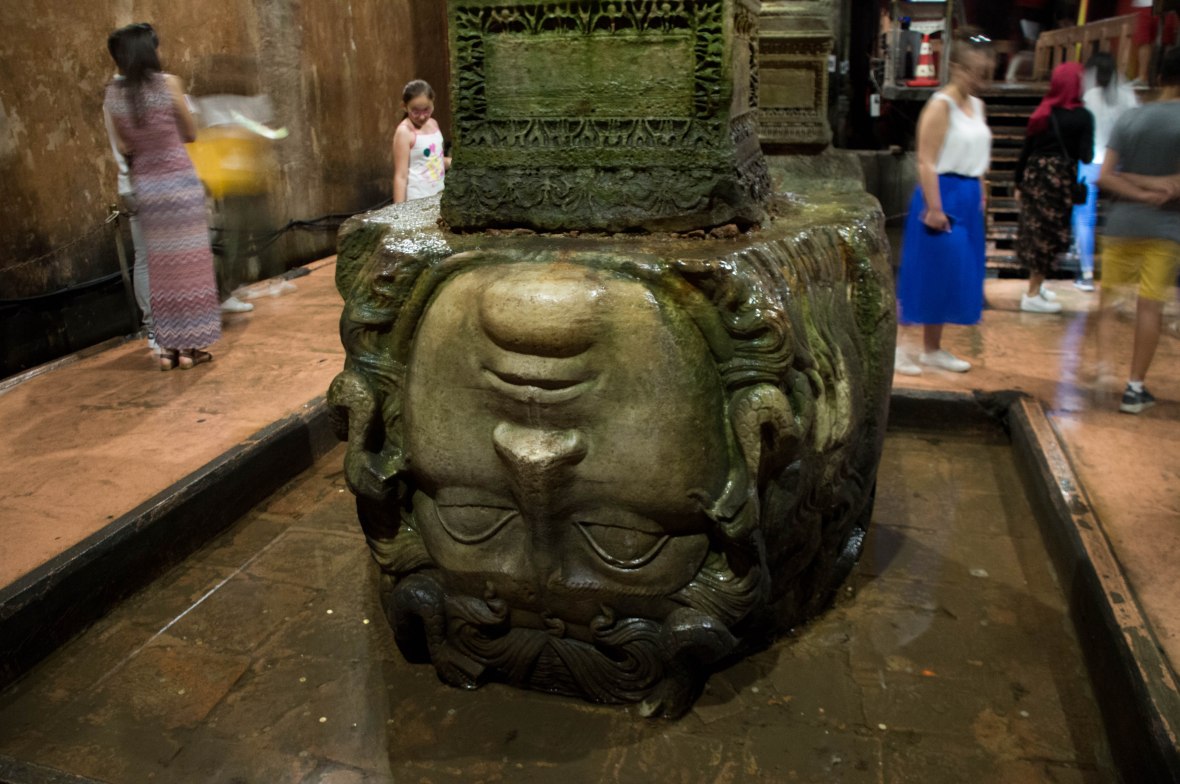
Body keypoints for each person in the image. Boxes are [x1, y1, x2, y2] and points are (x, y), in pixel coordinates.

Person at [104, 23, 220, 370]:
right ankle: (190, 349)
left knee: (160, 268)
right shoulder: (168, 84)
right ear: (149, 51)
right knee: (192, 265)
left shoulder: (113, 95)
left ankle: (168, 349)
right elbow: (190, 132)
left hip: (148, 187)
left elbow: (124, 145)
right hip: (178, 183)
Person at [895, 36, 994, 375]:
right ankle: (895, 346)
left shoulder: (977, 107)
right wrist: (935, 208)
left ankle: (932, 348)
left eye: (985, 73)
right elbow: (926, 161)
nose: (979, 79)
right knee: (927, 269)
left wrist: (981, 193)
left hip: (968, 196)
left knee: (953, 274)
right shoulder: (940, 105)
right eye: (974, 71)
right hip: (942, 193)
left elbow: (980, 159)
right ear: (957, 68)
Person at [1095, 46, 1180, 414]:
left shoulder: (1130, 118)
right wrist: (1157, 189)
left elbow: (1105, 177)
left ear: (1158, 76)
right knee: (1150, 308)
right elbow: (1174, 186)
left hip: (1121, 225)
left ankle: (1100, 371)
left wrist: (1134, 184)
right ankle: (1134, 388)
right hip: (1165, 229)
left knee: (1109, 301)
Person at [1014, 62, 1094, 313]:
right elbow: (1086, 156)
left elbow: (1026, 151)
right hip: (1059, 181)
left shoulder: (1043, 112)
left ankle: (1037, 285)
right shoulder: (1083, 116)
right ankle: (1032, 294)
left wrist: (1017, 183)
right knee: (1050, 235)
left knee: (1035, 232)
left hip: (1036, 178)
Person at [1073, 52, 1138, 292]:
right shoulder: (1128, 95)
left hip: (1090, 162)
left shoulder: (1089, 97)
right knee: (1120, 217)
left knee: (1083, 217)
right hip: (1120, 164)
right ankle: (1122, 274)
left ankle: (1086, 272)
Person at [102, 65, 153, 349]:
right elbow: (128, 145)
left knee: (144, 259)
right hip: (146, 183)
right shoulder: (131, 93)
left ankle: (154, 329)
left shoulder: (112, 94)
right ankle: (162, 332)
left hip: (130, 184)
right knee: (159, 260)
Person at [392, 80, 449, 203]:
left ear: (433, 102)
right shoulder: (404, 132)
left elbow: (434, 160)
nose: (422, 116)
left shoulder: (434, 124)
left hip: (439, 195)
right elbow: (400, 176)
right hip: (416, 199)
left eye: (426, 110)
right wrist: (398, 211)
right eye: (416, 111)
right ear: (404, 106)